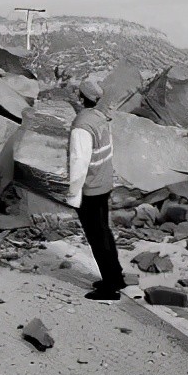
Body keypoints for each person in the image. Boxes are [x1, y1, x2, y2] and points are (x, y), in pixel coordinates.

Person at [66, 80, 125, 301]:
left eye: (75, 94)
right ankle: (116, 276)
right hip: (104, 183)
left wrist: (73, 194)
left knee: (97, 237)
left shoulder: (81, 125)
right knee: (105, 232)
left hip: (90, 188)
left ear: (81, 98)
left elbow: (79, 163)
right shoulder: (100, 119)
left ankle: (110, 288)